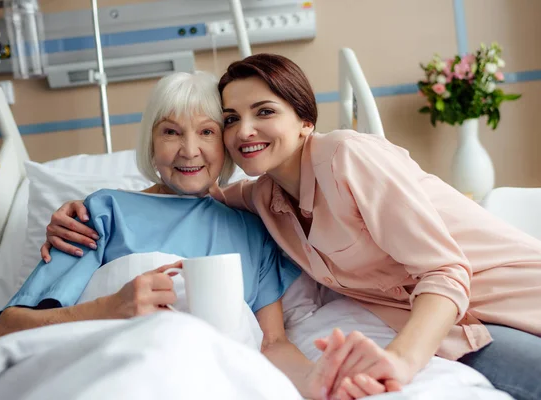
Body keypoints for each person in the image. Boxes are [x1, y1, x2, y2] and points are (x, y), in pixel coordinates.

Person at [43, 54, 541, 400]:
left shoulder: (348, 157)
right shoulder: (263, 198)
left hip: (512, 298)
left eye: (265, 112)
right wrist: (88, 208)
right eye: (232, 119)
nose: (245, 131)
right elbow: (192, 188)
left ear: (305, 120)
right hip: (461, 330)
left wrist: (402, 360)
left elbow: (446, 270)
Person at [0, 71, 392, 400]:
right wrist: (109, 307)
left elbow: (272, 344)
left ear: (228, 145)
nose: (189, 150)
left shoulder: (253, 228)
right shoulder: (101, 213)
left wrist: (319, 383)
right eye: (171, 132)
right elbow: (7, 328)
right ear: (151, 143)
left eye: (206, 132)